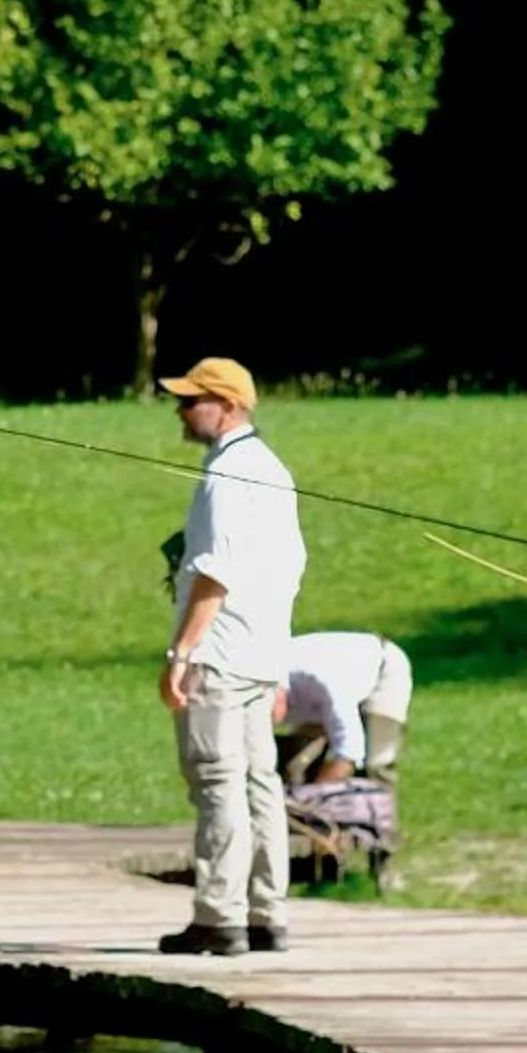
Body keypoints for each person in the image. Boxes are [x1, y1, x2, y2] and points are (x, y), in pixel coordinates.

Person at [156, 357, 305, 957]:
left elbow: (214, 571)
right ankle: (269, 913)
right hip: (261, 655)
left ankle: (220, 917)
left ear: (228, 406)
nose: (181, 411)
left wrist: (181, 651)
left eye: (192, 401)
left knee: (218, 784)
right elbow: (288, 571)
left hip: (218, 655)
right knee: (258, 784)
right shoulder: (273, 469)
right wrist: (279, 666)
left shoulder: (227, 476)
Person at [279, 630, 414, 785]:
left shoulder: (325, 684)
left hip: (382, 668)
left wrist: (315, 795)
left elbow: (349, 754)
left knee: (374, 766)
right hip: (321, 690)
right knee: (296, 765)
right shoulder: (253, 683)